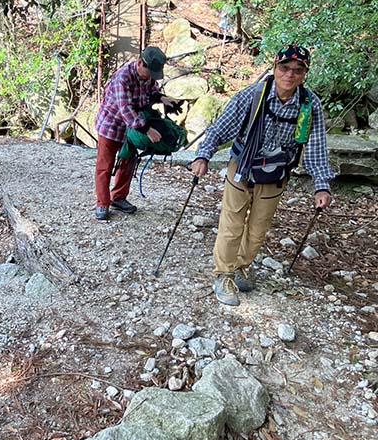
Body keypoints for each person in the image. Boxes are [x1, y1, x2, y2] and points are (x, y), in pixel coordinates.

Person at [190, 45, 334, 306]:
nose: (290, 74)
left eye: (297, 70)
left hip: (276, 173)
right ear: (274, 67)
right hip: (242, 167)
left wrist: (321, 186)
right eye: (285, 68)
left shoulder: (309, 105)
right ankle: (223, 275)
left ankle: (241, 266)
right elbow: (220, 129)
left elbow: (315, 147)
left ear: (305, 74)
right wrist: (203, 156)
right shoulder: (252, 96)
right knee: (232, 225)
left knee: (257, 230)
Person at [94, 46, 181, 219]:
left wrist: (162, 98)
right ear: (140, 62)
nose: (150, 78)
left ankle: (118, 197)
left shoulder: (147, 78)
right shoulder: (122, 78)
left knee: (128, 162)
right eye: (149, 73)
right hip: (112, 125)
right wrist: (147, 129)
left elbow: (151, 92)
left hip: (131, 128)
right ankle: (102, 204)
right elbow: (125, 109)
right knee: (105, 165)